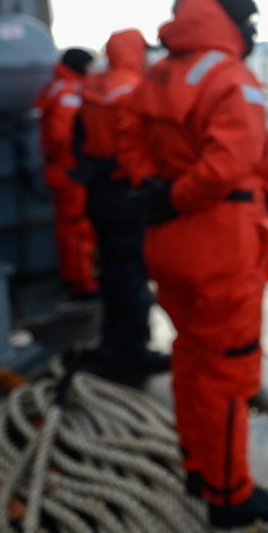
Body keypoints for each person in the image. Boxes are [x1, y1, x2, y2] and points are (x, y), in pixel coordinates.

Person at [118, 0, 268, 528]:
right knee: (227, 373)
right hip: (218, 245)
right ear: (236, 20)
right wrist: (177, 196)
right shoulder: (229, 77)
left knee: (192, 361)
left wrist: (156, 193)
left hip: (168, 245)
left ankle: (199, 466)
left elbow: (127, 138)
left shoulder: (162, 72)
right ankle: (229, 495)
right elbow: (231, 161)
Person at [72, 28, 170, 375]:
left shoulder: (92, 85)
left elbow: (77, 138)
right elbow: (136, 145)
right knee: (131, 276)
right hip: (125, 193)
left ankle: (113, 343)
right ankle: (133, 352)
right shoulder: (132, 88)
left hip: (99, 191)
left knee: (113, 274)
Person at [33, 47, 99, 301]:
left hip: (58, 168)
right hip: (69, 169)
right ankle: (84, 286)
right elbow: (62, 135)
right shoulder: (69, 92)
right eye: (91, 66)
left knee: (67, 227)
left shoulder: (57, 85)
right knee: (78, 229)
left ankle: (73, 277)